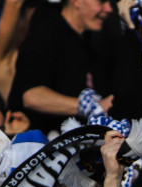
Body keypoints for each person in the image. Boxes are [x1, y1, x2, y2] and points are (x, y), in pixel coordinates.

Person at [8, 0, 115, 133]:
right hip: (37, 144)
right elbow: (32, 96)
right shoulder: (44, 34)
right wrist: (90, 106)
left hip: (76, 145)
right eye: (102, 2)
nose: (109, 9)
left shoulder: (91, 42)